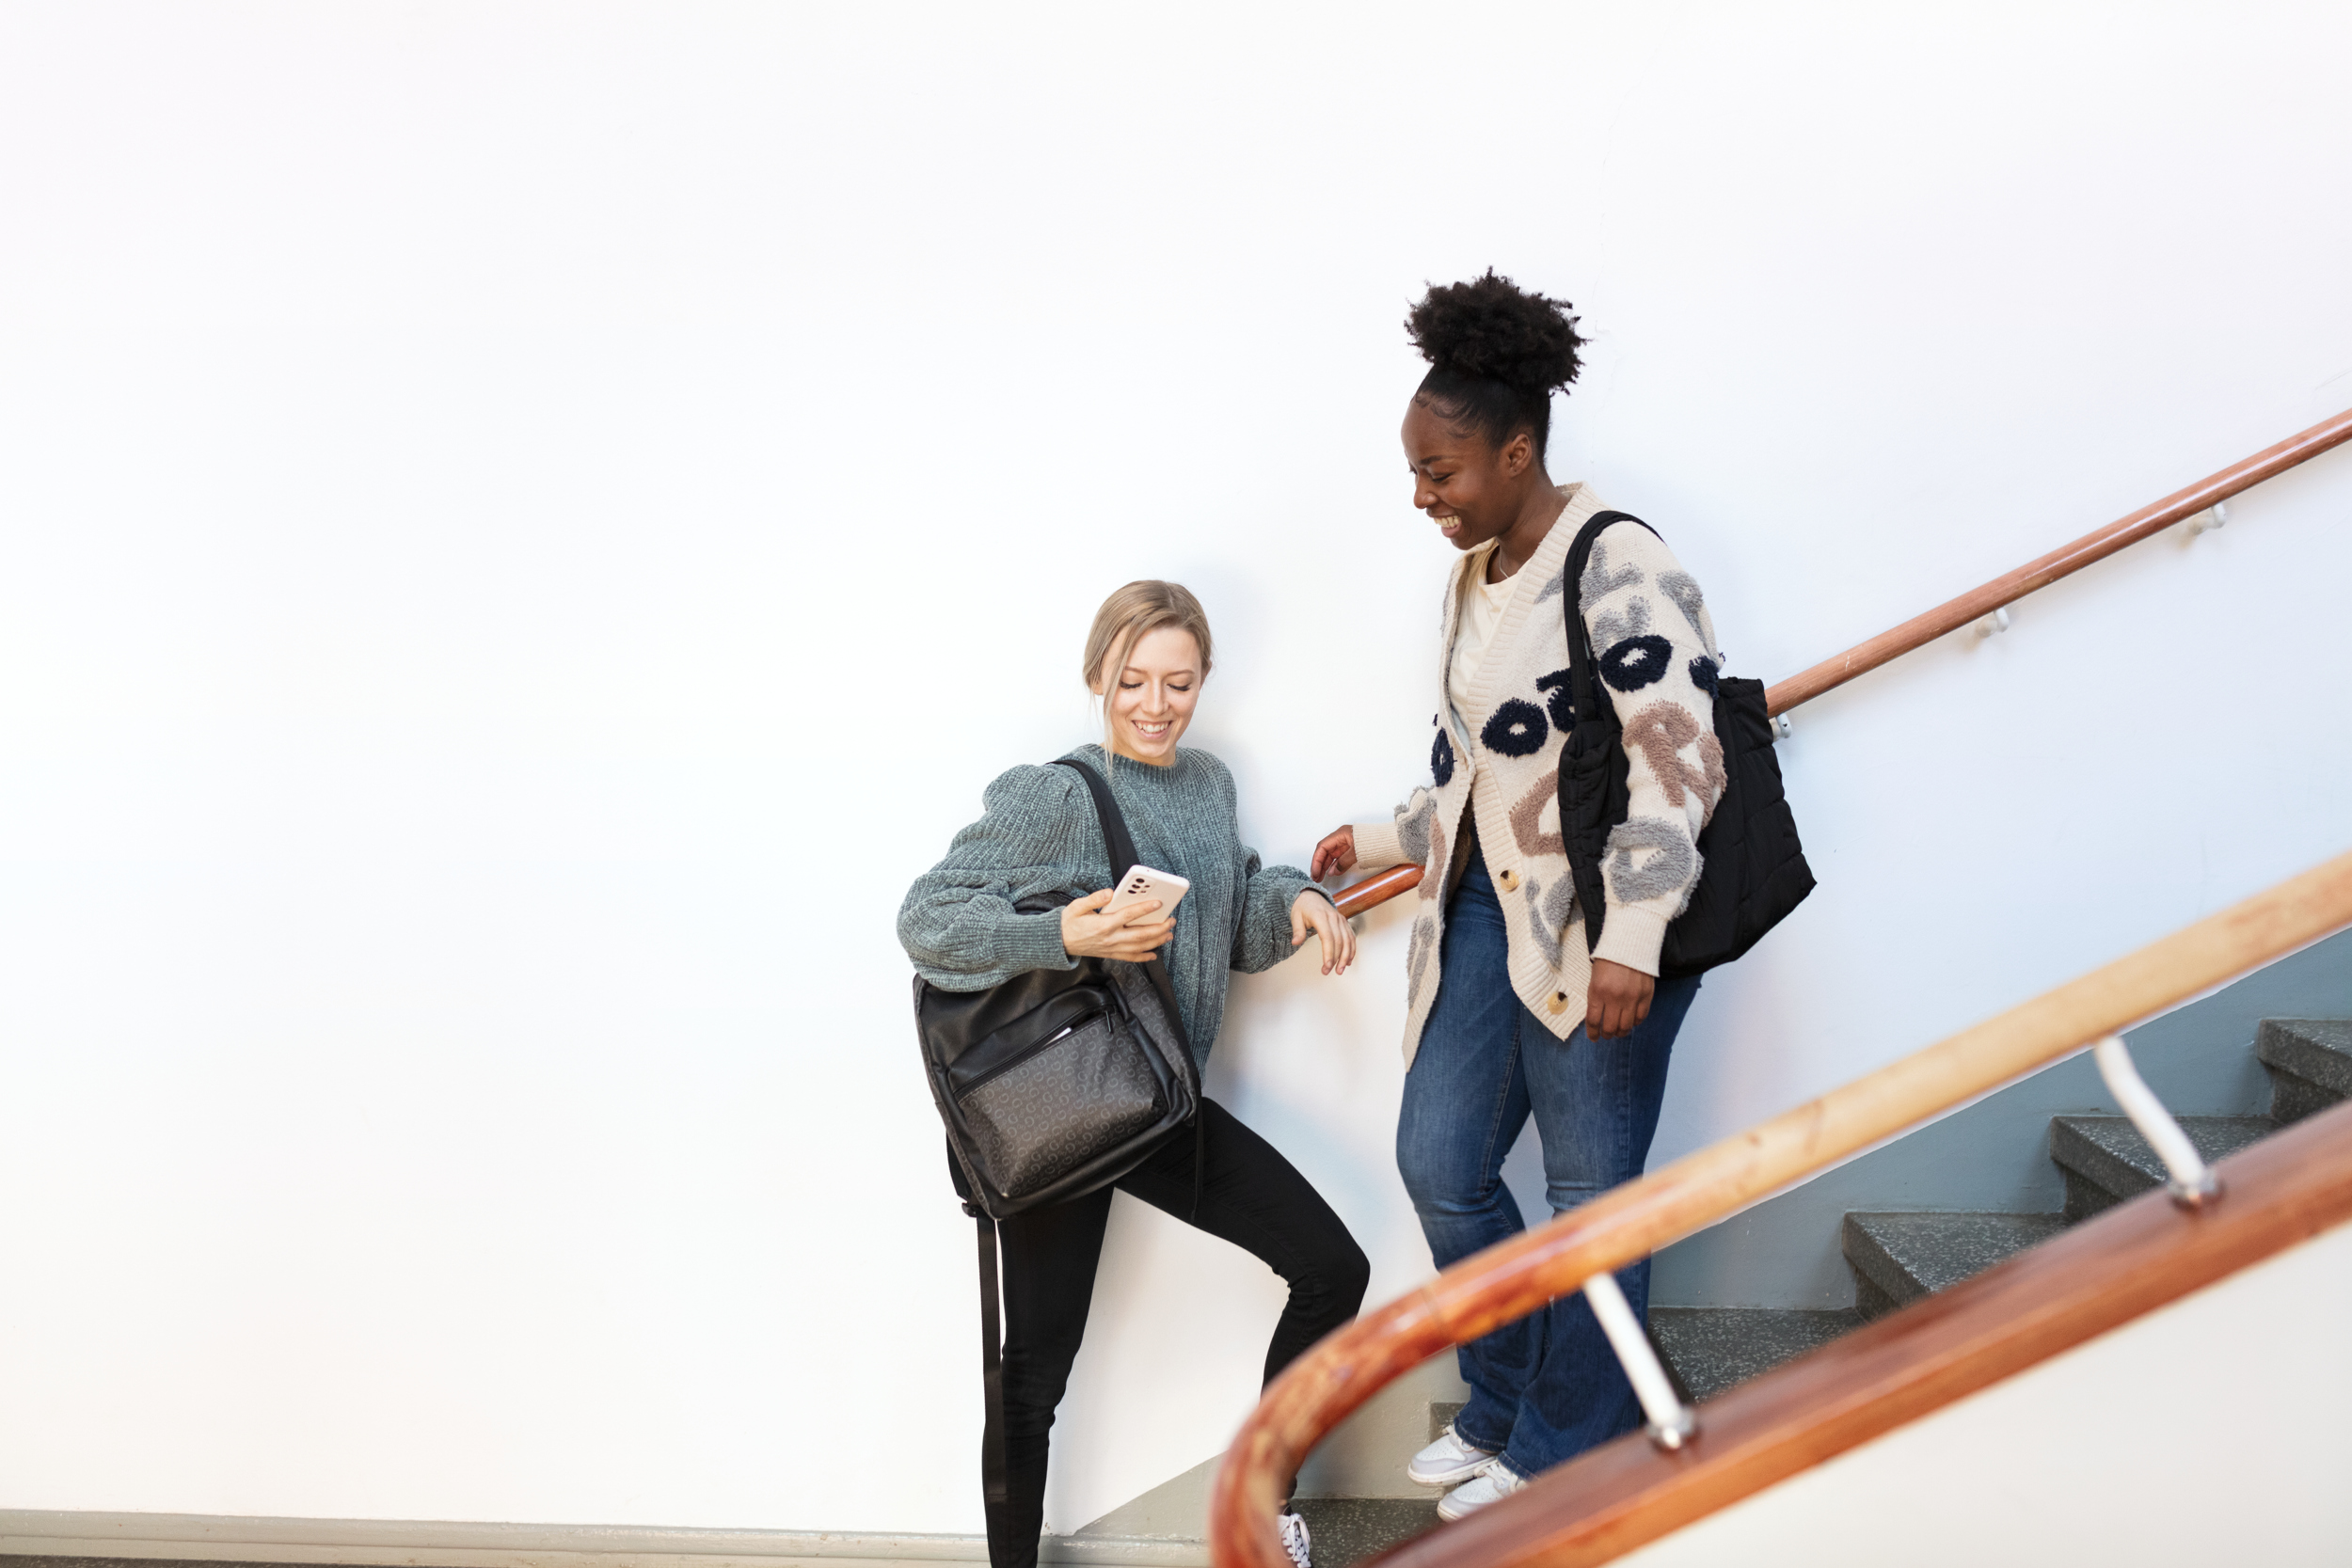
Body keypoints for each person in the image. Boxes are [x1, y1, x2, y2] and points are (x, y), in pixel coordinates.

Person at [1310, 272, 1726, 1520]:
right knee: (1442, 1162)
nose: (1425, 498)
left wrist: (1636, 934)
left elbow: (1678, 750)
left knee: (1591, 1199)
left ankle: (1561, 1449)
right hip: (1484, 910)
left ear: (1516, 447)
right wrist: (1384, 829)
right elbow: (1484, 764)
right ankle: (1504, 1398)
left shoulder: (1618, 560)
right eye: (1416, 476)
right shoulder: (1473, 574)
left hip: (1601, 926)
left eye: (1441, 472)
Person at [900, 580, 1370, 1568]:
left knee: (1332, 1268)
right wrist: (1062, 928)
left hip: (1164, 1101)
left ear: (1203, 683)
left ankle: (1260, 1502)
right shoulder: (1054, 794)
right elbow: (927, 917)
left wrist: (1295, 899)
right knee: (1032, 1372)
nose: (1155, 704)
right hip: (1066, 1103)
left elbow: (1235, 915)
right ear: (1097, 678)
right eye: (1133, 681)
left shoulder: (1205, 784)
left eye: (1178, 683)